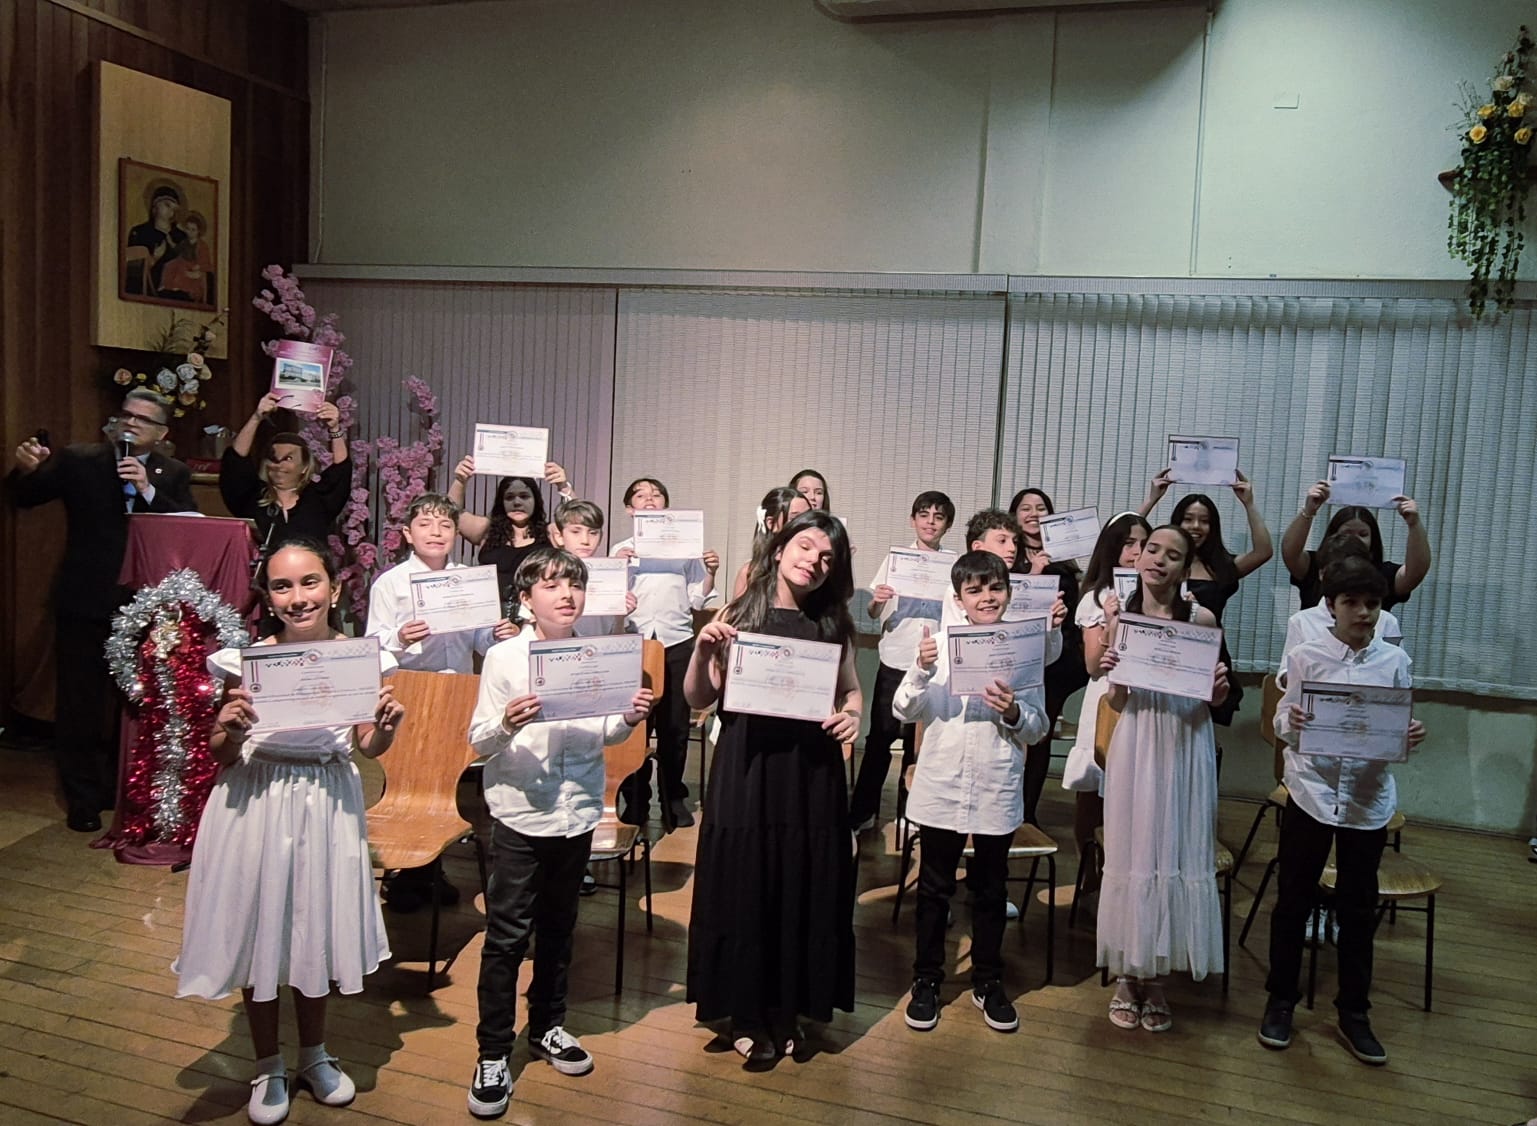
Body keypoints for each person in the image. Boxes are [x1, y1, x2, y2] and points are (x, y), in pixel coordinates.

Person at [174, 539, 405, 1126]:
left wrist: (385, 727)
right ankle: (268, 1062)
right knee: (260, 926)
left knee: (314, 924)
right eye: (282, 586)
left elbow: (367, 744)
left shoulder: (359, 658)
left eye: (309, 582)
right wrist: (227, 727)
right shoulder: (246, 660)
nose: (298, 597)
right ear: (268, 596)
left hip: (327, 800)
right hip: (256, 800)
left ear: (334, 586)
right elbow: (222, 752)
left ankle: (315, 1053)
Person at [464, 548, 653, 1118]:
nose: (566, 595)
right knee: (506, 936)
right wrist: (507, 722)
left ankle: (547, 1025)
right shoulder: (504, 657)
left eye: (574, 584)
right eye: (551, 585)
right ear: (526, 599)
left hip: (577, 812)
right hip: (522, 812)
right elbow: (478, 741)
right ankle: (493, 1052)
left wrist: (628, 717)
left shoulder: (596, 653)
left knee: (560, 926)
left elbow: (605, 731)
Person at [684, 510, 861, 1064]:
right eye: (806, 546)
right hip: (748, 767)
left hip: (810, 772)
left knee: (800, 880)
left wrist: (854, 716)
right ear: (780, 548)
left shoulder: (833, 622)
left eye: (827, 557)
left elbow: (851, 692)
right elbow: (698, 698)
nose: (815, 561)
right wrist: (702, 650)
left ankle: (788, 1009)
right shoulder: (739, 611)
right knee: (746, 880)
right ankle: (744, 1013)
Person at [1259, 556, 1425, 1065]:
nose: (1363, 612)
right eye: (1352, 602)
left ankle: (1354, 1013)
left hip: (1365, 798)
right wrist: (1293, 721)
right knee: (1293, 898)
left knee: (1357, 907)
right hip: (1311, 789)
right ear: (1331, 606)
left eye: (1372, 603)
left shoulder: (1393, 661)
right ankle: (1280, 1001)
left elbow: (1394, 725)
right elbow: (1282, 721)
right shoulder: (1307, 655)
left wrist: (1408, 733)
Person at [8, 388, 198, 831]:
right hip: (84, 599)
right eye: (126, 415)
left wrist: (147, 489)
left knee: (133, 701)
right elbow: (26, 496)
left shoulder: (172, 473)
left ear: (161, 433)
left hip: (143, 605)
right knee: (80, 703)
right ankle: (82, 797)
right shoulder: (80, 460)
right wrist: (24, 470)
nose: (130, 424)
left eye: (143, 420)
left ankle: (122, 787)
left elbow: (187, 527)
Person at [893, 550, 1050, 1035]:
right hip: (943, 782)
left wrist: (1014, 713)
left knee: (991, 888)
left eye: (995, 587)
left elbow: (1038, 726)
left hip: (995, 784)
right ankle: (927, 979)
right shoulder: (937, 646)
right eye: (975, 590)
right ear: (959, 598)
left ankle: (987, 979)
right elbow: (903, 710)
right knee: (934, 887)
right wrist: (920, 670)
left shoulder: (1022, 648)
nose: (987, 597)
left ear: (1008, 592)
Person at [1096, 525, 1229, 1033]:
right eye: (1152, 549)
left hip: (1185, 739)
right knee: (1134, 851)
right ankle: (1128, 973)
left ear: (1185, 567)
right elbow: (1117, 701)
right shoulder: (1122, 619)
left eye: (1173, 555)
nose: (1158, 560)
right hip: (1138, 739)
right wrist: (1114, 673)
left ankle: (1156, 981)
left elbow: (1213, 697)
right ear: (1139, 556)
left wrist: (1217, 691)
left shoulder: (1202, 619)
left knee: (1175, 849)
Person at [364, 493, 517, 913]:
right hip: (410, 692)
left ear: (455, 534)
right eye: (426, 525)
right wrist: (400, 637)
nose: (436, 532)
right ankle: (404, 871)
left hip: (457, 693)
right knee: (407, 780)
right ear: (407, 534)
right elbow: (373, 644)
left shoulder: (468, 579)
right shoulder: (391, 583)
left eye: (445, 525)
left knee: (444, 783)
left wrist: (496, 634)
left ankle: (431, 870)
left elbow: (480, 639)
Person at [611, 477, 720, 829]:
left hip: (677, 641)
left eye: (657, 495)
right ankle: (635, 798)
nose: (650, 499)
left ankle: (673, 797)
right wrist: (617, 567)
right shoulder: (620, 549)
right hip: (636, 643)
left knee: (675, 725)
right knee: (636, 724)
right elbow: (608, 600)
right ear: (629, 509)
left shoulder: (686, 548)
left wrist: (710, 573)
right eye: (641, 495)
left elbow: (697, 600)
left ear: (666, 507)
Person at [849, 489, 954, 832]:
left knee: (918, 743)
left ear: (946, 525)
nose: (930, 522)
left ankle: (912, 814)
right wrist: (877, 600)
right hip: (896, 657)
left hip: (934, 661)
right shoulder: (897, 559)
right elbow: (872, 611)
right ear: (913, 520)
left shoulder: (952, 564)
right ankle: (863, 812)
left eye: (938, 517)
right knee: (880, 738)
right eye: (924, 515)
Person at [1140, 472, 1273, 723]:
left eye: (1204, 521)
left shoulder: (1222, 566)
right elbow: (1128, 540)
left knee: (1201, 728)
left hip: (1208, 654)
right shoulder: (1159, 564)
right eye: (1188, 519)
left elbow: (1264, 551)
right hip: (1161, 649)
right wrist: (1152, 499)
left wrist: (1249, 503)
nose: (1195, 526)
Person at [1006, 488, 1089, 823]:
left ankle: (1028, 814)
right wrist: (1035, 573)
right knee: (1013, 732)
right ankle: (1007, 808)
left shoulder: (1064, 557)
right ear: (1014, 515)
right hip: (1017, 655)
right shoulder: (1008, 555)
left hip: (1058, 658)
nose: (1033, 513)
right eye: (1025, 508)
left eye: (1040, 508)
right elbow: (1005, 605)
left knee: (1039, 735)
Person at [1062, 512, 1152, 797]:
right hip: (1108, 691)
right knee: (1099, 776)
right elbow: (1093, 666)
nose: (1137, 552)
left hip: (1147, 693)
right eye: (1128, 543)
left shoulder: (1158, 594)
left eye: (1145, 544)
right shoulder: (1098, 597)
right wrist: (1111, 624)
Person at [220, 393, 352, 557]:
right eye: (273, 458)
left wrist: (334, 427)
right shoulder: (252, 498)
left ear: (304, 467)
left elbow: (341, 470)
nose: (279, 465)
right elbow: (235, 461)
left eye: (288, 458)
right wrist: (256, 417)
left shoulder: (318, 499)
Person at [1280, 481, 1431, 613]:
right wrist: (1308, 511)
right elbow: (1289, 552)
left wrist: (1414, 523)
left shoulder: (1383, 574)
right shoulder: (1315, 565)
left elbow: (1416, 571)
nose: (1354, 539)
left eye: (1363, 534)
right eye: (1347, 533)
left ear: (1373, 540)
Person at [449, 457, 574, 611]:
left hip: (535, 617)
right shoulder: (487, 530)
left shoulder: (551, 533)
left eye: (524, 496)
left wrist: (563, 486)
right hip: (491, 617)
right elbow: (451, 513)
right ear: (502, 502)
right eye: (509, 497)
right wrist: (460, 481)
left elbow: (579, 522)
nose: (517, 502)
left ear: (536, 500)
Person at [1276, 534, 1402, 683]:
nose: (1363, 612)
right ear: (1322, 573)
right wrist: (1312, 666)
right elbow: (1286, 676)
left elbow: (1398, 687)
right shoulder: (1302, 623)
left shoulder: (1389, 628)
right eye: (1351, 603)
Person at [549, 498, 638, 636]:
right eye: (575, 532)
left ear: (601, 537)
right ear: (559, 537)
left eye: (593, 533)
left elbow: (615, 635)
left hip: (600, 647)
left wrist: (620, 616)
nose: (585, 540)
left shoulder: (610, 580)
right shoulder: (546, 574)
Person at [731, 486, 810, 598]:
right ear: (771, 523)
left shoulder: (812, 568)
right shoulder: (750, 573)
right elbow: (738, 609)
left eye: (808, 516)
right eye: (795, 518)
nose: (806, 523)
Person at [124, 183, 186, 295]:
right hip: (147, 290)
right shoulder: (139, 232)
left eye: (174, 209)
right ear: (155, 205)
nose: (171, 211)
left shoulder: (181, 236)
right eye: (167, 205)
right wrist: (154, 258)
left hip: (176, 291)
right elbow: (131, 269)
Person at [159, 211, 213, 305]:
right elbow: (177, 249)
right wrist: (169, 241)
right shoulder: (184, 242)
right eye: (188, 229)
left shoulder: (202, 245)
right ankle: (168, 286)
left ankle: (184, 290)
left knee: (186, 274)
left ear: (198, 231)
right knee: (169, 266)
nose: (190, 232)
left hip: (194, 267)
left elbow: (206, 262)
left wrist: (199, 266)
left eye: (193, 230)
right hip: (182, 263)